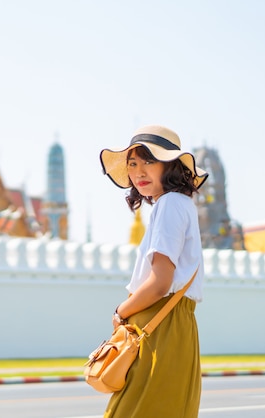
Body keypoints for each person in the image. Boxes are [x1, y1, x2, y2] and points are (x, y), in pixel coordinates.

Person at [99, 124, 208, 418]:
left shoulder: (169, 204)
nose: (139, 172)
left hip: (157, 325)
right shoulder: (182, 204)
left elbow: (160, 282)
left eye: (149, 161)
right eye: (132, 164)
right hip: (175, 325)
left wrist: (121, 311)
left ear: (169, 166)